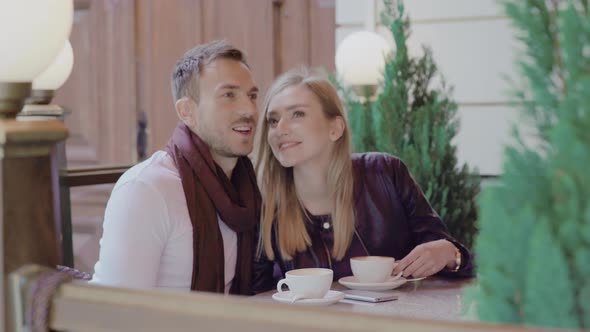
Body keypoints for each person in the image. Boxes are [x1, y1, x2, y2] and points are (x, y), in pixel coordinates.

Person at [253, 67, 473, 292]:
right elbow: (254, 301)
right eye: (272, 120)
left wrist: (449, 253)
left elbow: (454, 259)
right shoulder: (264, 205)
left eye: (297, 114)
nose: (280, 129)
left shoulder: (386, 173)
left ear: (335, 128)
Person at [92, 40, 261, 295]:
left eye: (252, 95)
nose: (249, 109)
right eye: (229, 95)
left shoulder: (249, 187)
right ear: (186, 111)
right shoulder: (146, 189)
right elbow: (116, 316)